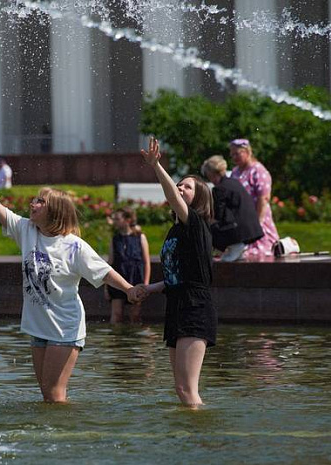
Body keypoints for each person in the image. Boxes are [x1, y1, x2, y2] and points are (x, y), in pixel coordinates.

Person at [0, 150, 143, 403]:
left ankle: (65, 436)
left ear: (55, 212)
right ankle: (49, 435)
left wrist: (128, 289)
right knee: (46, 394)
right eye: (34, 200)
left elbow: (105, 272)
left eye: (40, 202)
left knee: (55, 394)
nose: (32, 204)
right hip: (38, 327)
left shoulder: (74, 246)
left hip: (65, 328)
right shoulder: (26, 230)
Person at [139, 137, 216, 407]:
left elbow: (170, 195)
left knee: (187, 388)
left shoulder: (195, 224)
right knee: (180, 389)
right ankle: (189, 436)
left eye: (187, 187)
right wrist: (151, 288)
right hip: (176, 304)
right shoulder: (176, 230)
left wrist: (156, 167)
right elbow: (177, 274)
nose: (180, 188)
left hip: (194, 307)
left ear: (199, 198)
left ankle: (202, 436)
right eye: (180, 184)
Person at [201, 155, 263, 262]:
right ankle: (236, 247)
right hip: (252, 230)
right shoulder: (235, 182)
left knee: (205, 228)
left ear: (211, 174)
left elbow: (218, 215)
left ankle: (235, 245)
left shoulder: (219, 189)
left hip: (239, 233)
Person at [229, 138, 280, 257]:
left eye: (237, 154)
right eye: (232, 155)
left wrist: (258, 223)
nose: (234, 157)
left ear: (247, 152)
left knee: (261, 252)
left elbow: (264, 198)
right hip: (241, 221)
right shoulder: (235, 172)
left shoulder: (258, 170)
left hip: (257, 218)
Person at [105, 207, 151, 324]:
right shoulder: (115, 239)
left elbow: (146, 262)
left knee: (135, 315)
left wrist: (146, 284)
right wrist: (106, 286)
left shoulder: (140, 237)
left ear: (127, 220)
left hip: (136, 278)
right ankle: (115, 339)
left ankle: (134, 340)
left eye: (117, 218)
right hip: (118, 279)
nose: (114, 221)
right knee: (116, 315)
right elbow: (110, 262)